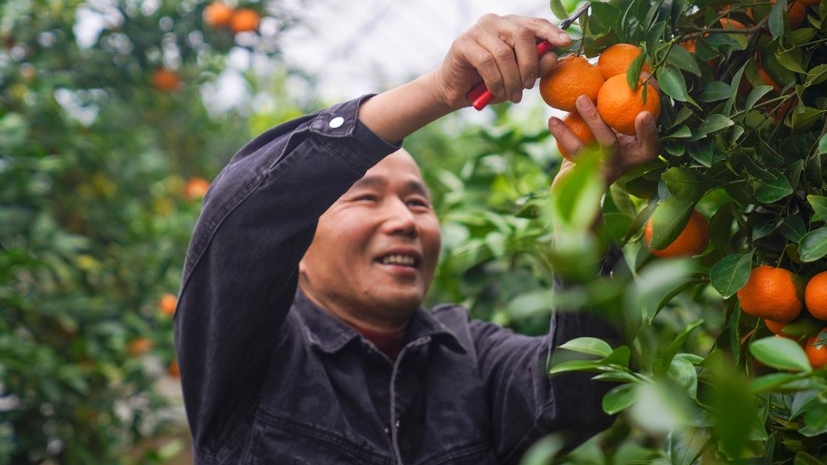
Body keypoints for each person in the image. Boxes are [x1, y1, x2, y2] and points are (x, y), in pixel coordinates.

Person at [173, 13, 660, 465]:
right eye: (365, 199)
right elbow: (244, 215)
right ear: (297, 242)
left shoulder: (469, 355)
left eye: (418, 203)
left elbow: (581, 394)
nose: (404, 220)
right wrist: (441, 91)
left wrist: (577, 211)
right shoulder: (253, 357)